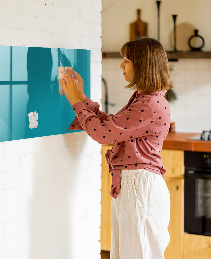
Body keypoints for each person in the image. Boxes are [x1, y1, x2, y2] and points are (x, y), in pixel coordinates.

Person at [60, 37, 172, 259]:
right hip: (135, 186)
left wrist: (75, 101)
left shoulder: (149, 104)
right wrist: (81, 96)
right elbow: (111, 126)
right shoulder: (145, 99)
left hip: (140, 188)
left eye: (127, 60)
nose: (121, 65)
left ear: (143, 65)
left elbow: (103, 134)